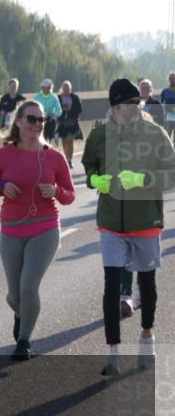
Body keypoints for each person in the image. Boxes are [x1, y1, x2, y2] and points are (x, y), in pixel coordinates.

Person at [82, 78, 175, 376]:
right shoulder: (98, 136)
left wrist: (144, 180)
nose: (135, 108)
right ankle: (113, 354)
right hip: (110, 221)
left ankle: (147, 337)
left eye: (137, 103)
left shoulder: (155, 134)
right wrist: (95, 180)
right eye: (128, 103)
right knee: (112, 284)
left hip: (145, 220)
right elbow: (90, 166)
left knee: (146, 284)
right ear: (115, 107)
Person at [0, 100, 75, 360]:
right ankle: (21, 314)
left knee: (28, 286)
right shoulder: (3, 155)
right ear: (18, 121)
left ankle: (24, 341)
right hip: (11, 229)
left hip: (45, 228)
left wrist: (56, 191)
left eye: (40, 120)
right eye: (31, 119)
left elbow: (70, 196)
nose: (36, 124)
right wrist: (0, 185)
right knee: (14, 295)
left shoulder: (54, 156)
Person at [56, 81, 84, 168]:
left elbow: (80, 110)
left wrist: (70, 109)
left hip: (72, 122)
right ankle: (66, 158)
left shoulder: (75, 97)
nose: (66, 90)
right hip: (62, 123)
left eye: (68, 89)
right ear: (62, 89)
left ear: (70, 89)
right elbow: (55, 109)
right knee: (64, 142)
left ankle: (69, 160)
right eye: (65, 89)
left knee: (70, 140)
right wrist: (62, 109)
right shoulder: (58, 98)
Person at [33, 79, 62, 144]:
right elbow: (33, 107)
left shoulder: (54, 97)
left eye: (47, 87)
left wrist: (53, 114)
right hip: (39, 119)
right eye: (43, 87)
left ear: (50, 88)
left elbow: (59, 111)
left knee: (47, 138)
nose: (45, 89)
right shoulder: (37, 97)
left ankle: (53, 137)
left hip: (50, 120)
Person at [160, 71, 175, 140]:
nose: (172, 80)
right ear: (168, 80)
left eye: (174, 78)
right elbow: (161, 104)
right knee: (167, 137)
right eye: (171, 78)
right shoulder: (164, 91)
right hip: (168, 118)